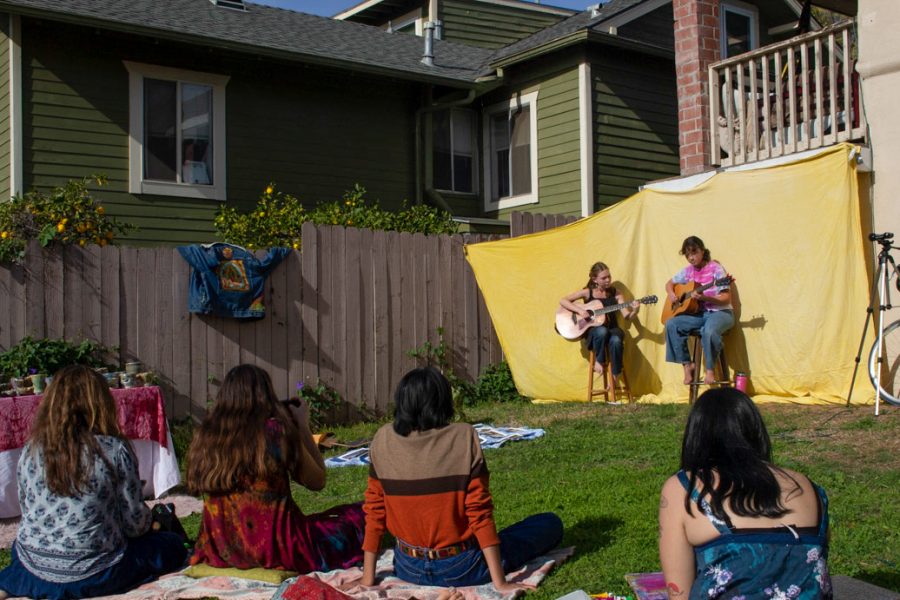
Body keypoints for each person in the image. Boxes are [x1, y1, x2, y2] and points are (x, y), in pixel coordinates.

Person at [361, 366, 563, 593]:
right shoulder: (464, 436)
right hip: (462, 568)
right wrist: (500, 583)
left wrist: (368, 580)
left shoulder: (383, 439)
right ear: (443, 400)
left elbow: (375, 512)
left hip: (408, 566)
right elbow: (479, 512)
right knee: (548, 523)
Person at [0, 365, 186, 600]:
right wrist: (154, 523)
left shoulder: (31, 449)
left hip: (34, 565)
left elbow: (28, 510)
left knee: (22, 554)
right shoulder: (114, 450)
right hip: (95, 570)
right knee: (170, 545)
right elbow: (135, 524)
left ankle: (20, 583)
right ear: (100, 403)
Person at [186, 364, 364, 573]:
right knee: (362, 515)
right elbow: (317, 481)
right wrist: (302, 426)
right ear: (266, 397)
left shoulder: (205, 436)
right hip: (279, 549)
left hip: (223, 548)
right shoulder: (274, 432)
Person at [658, 388, 832, 600]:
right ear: (755, 430)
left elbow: (679, 593)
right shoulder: (807, 486)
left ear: (696, 435)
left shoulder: (685, 487)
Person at [559, 261, 640, 391]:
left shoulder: (616, 293)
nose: (608, 280)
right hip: (596, 332)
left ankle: (614, 376)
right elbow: (563, 300)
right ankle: (599, 360)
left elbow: (626, 316)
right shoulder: (587, 293)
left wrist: (635, 310)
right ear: (594, 279)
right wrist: (580, 311)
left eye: (609, 276)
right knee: (601, 331)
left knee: (616, 340)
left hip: (613, 329)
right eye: (604, 278)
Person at [664, 236, 734, 385]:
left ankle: (710, 370)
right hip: (700, 314)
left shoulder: (716, 268)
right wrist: (672, 294)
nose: (691, 258)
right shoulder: (688, 271)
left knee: (709, 330)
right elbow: (669, 283)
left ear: (702, 250)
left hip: (721, 313)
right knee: (672, 324)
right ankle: (687, 366)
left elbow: (726, 299)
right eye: (687, 255)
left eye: (694, 253)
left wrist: (706, 298)